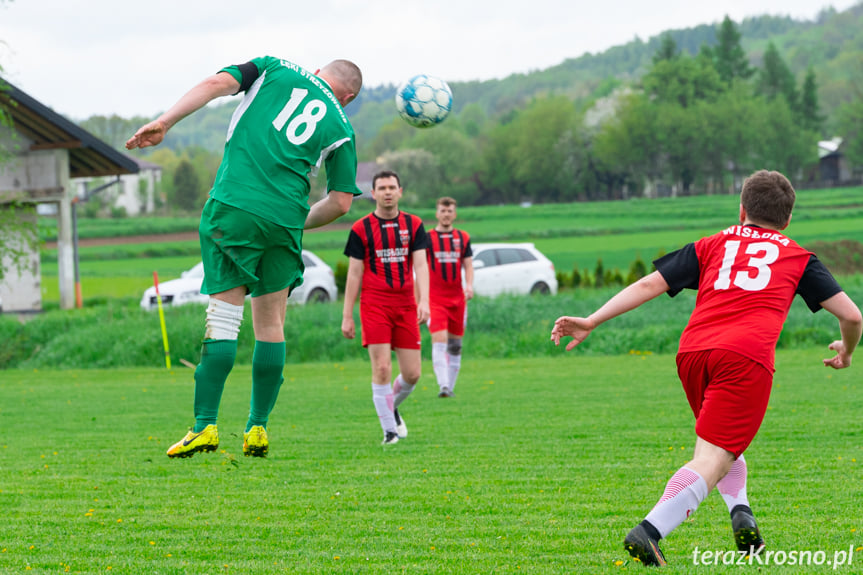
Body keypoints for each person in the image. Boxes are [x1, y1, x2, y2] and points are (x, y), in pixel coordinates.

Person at [550, 170, 862, 567]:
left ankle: (743, 517)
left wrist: (592, 320)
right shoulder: (798, 257)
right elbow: (852, 316)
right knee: (715, 457)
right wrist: (847, 352)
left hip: (693, 352)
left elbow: (649, 284)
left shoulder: (712, 244)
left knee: (714, 446)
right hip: (745, 358)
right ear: (787, 221)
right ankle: (649, 531)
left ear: (742, 209)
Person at [125, 57, 364, 459]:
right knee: (271, 324)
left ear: (321, 69)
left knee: (223, 318)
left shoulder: (274, 67)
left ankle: (204, 427)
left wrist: (166, 121)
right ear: (350, 96)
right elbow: (340, 203)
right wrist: (293, 222)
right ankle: (257, 428)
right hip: (285, 220)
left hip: (235, 205)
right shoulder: (343, 126)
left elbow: (215, 83)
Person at [341, 170, 430, 445]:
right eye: (382, 187)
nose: (388, 192)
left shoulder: (414, 225)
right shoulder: (360, 228)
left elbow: (420, 265)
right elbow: (354, 274)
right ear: (373, 193)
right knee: (381, 368)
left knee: (413, 374)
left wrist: (424, 300)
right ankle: (389, 432)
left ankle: (390, 406)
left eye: (392, 187)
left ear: (400, 192)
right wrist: (347, 316)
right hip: (374, 305)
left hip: (405, 306)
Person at [426, 196, 474, 397]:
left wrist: (469, 285)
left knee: (455, 346)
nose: (446, 214)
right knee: (439, 340)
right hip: (435, 299)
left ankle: (450, 389)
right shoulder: (426, 238)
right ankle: (443, 386)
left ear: (454, 214)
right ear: (437, 213)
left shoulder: (463, 237)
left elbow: (468, 264)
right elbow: (418, 266)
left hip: (458, 300)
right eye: (442, 211)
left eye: (449, 211)